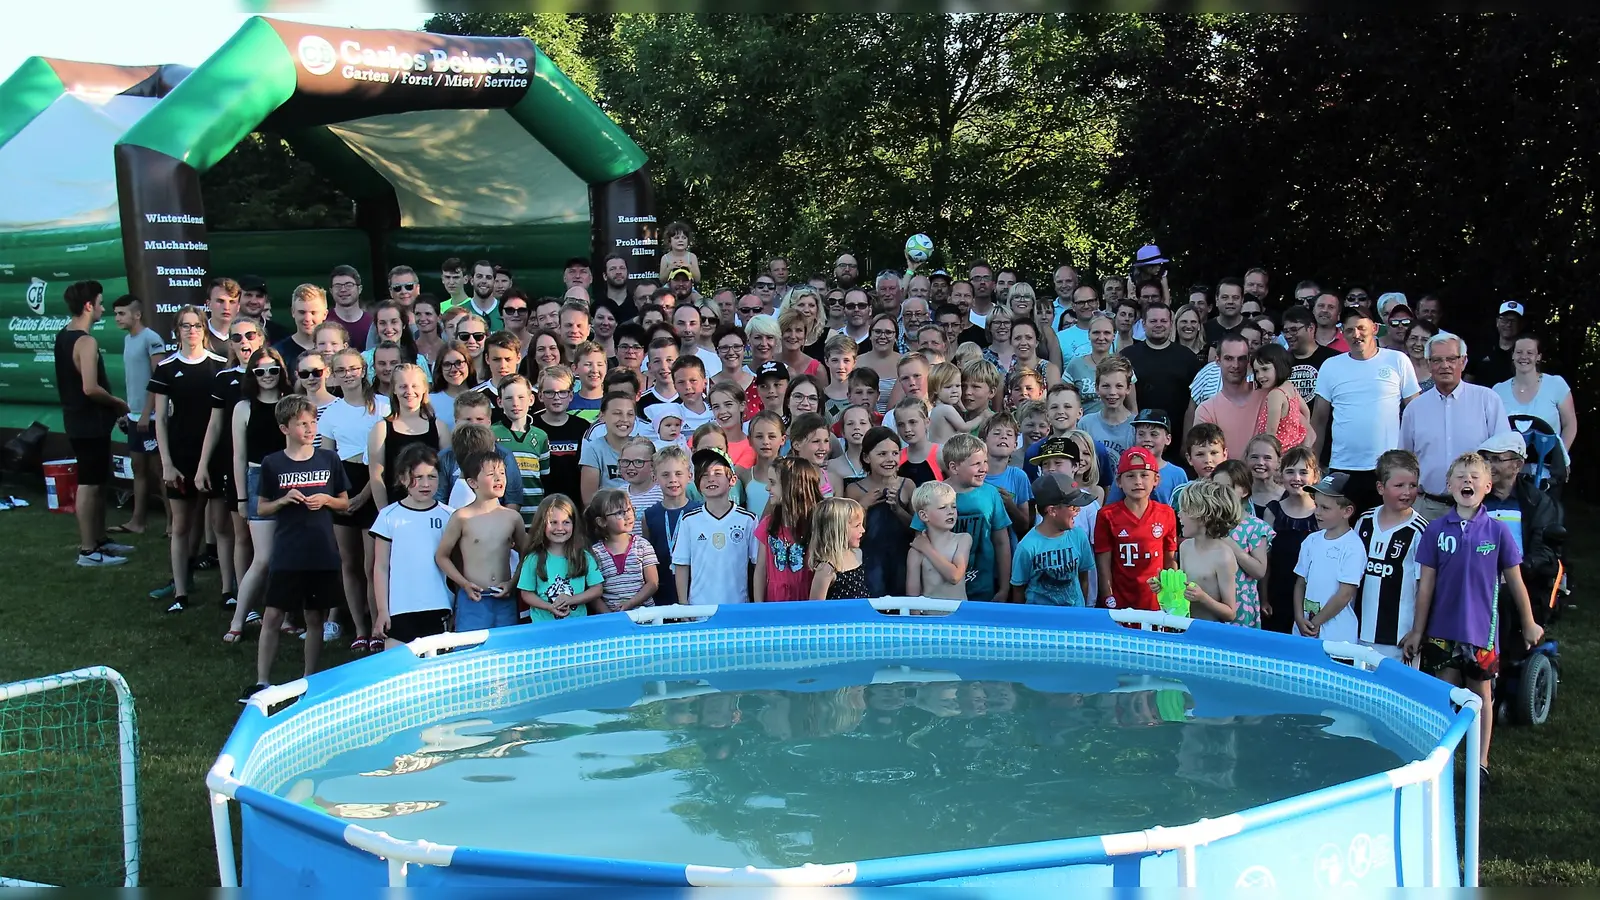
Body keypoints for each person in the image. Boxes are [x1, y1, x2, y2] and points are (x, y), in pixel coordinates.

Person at [1402, 452, 1544, 786]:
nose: (1468, 481)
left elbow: (1516, 582)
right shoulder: (1436, 530)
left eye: (1475, 477)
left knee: (1480, 697)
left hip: (1481, 631)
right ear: (1449, 486)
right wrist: (1417, 630)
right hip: (1441, 631)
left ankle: (1480, 761)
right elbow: (1426, 587)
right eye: (1461, 477)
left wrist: (1529, 622)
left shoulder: (1497, 532)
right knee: (1446, 697)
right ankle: (1443, 759)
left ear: (1488, 486)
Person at [245, 395, 350, 701]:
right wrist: (283, 500)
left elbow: (344, 502)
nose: (309, 428)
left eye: (313, 422)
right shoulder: (272, 463)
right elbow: (262, 508)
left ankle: (310, 680)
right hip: (288, 551)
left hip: (321, 551)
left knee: (315, 617)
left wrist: (327, 500)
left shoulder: (329, 460)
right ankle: (262, 681)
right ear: (284, 428)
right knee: (273, 614)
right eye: (302, 424)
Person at [150, 305, 229, 608]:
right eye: (186, 326)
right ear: (177, 330)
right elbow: (160, 420)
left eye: (197, 325)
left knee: (221, 526)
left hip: (216, 457)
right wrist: (167, 463)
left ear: (204, 329)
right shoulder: (167, 368)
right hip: (180, 457)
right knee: (181, 526)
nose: (192, 331)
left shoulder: (219, 366)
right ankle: (180, 590)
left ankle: (228, 591)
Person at [1311, 309, 1420, 513]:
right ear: (1342, 333)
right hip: (1343, 466)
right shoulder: (1331, 366)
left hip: (1388, 467)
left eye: (1361, 328)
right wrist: (1313, 463)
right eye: (1350, 330)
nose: (1356, 334)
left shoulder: (1398, 360)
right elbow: (1319, 419)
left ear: (1375, 329)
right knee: (1342, 529)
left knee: (1385, 526)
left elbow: (1416, 412)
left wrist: (1413, 461)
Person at [55, 281, 133, 566]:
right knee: (89, 483)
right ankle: (88, 550)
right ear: (89, 305)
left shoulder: (64, 335)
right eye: (100, 303)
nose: (103, 308)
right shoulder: (85, 341)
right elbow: (90, 387)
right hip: (87, 422)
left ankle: (100, 540)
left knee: (98, 482)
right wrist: (117, 402)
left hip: (83, 421)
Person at [1397, 330, 1510, 521]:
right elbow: (1405, 461)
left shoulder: (1487, 400)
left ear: (1463, 362)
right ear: (1428, 364)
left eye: (1451, 359)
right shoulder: (1414, 409)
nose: (1445, 366)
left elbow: (1503, 455)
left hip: (1478, 508)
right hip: (1428, 508)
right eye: (1437, 360)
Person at [222, 348, 288, 643]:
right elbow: (238, 456)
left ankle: (284, 617)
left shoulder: (290, 402)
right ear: (251, 374)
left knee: (287, 554)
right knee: (262, 557)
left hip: (291, 476)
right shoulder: (243, 407)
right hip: (256, 478)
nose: (267, 376)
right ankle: (238, 619)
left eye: (273, 370)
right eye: (260, 371)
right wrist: (240, 498)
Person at [370, 444, 454, 649]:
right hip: (400, 608)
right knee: (397, 671)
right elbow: (381, 567)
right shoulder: (389, 516)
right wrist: (382, 610)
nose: (425, 484)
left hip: (438, 605)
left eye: (431, 477)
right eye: (417, 477)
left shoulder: (449, 516)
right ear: (402, 478)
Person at [1351, 449, 1428, 665]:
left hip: (1398, 638)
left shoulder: (1420, 530)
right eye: (1399, 485)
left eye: (1412, 485)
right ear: (1380, 488)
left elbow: (1424, 586)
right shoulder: (1364, 521)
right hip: (1358, 630)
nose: (1407, 492)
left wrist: (1418, 631)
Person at [434, 451, 525, 629]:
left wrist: (513, 583)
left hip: (504, 598)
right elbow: (442, 556)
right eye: (491, 474)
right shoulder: (462, 517)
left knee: (506, 651)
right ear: (472, 482)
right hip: (473, 599)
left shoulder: (513, 518)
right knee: (470, 650)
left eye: (502, 473)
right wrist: (464, 584)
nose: (499, 478)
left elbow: (527, 553)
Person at [921, 435, 1011, 602]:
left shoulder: (990, 494)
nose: (984, 468)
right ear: (954, 467)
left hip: (983, 589)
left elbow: (1001, 542)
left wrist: (1004, 588)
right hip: (941, 592)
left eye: (985, 462)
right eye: (977, 464)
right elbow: (920, 542)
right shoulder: (932, 494)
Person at [668, 450, 758, 606]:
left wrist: (757, 603)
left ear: (732, 480)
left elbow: (758, 565)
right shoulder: (689, 520)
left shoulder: (748, 520)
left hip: (736, 607)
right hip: (699, 609)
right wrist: (683, 603)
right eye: (704, 475)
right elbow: (682, 564)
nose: (710, 479)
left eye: (717, 473)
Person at [1093, 447, 1177, 611]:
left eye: (1144, 475)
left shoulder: (1166, 513)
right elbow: (1103, 565)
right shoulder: (1106, 516)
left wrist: (1170, 596)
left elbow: (1170, 561)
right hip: (1121, 603)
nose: (1138, 481)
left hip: (1156, 604)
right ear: (1119, 482)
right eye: (1130, 476)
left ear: (1156, 479)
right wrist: (1108, 598)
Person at [111, 293, 166, 535]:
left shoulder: (151, 338)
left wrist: (146, 413)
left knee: (160, 470)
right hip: (135, 417)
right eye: (115, 314)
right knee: (138, 467)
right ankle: (138, 521)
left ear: (137, 314)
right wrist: (130, 413)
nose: (117, 318)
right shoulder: (127, 340)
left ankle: (173, 523)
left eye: (121, 313)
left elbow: (159, 378)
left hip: (152, 418)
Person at [1121, 304, 1201, 457]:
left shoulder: (1187, 358)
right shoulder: (1128, 356)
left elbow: (1195, 403)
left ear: (1171, 324)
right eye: (1153, 321)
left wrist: (1187, 440)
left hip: (1177, 439)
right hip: (1138, 436)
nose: (1159, 325)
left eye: (1163, 321)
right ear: (1143, 324)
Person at [1292, 472, 1363, 643]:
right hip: (1303, 630)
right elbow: (1300, 583)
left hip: (1337, 637)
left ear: (1347, 511)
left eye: (1325, 508)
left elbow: (1345, 594)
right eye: (1316, 505)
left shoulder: (1353, 546)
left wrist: (1316, 623)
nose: (1318, 512)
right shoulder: (1311, 541)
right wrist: (1299, 619)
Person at [1494, 333, 1576, 472]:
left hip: (1546, 469)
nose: (1524, 357)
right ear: (1512, 355)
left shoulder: (1556, 384)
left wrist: (1561, 457)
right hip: (1507, 471)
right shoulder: (1498, 390)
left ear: (1538, 357)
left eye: (1530, 352)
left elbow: (1570, 424)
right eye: (1519, 352)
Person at [1010, 473, 1095, 607]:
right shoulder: (1027, 547)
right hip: (1040, 622)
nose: (1078, 510)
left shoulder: (1079, 536)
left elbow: (1084, 578)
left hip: (1073, 617)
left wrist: (1081, 613)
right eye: (1073, 506)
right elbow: (1018, 590)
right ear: (1052, 511)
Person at [515, 494, 602, 623]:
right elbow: (526, 593)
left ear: (574, 524)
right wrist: (549, 607)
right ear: (542, 524)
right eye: (553, 522)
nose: (560, 528)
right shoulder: (533, 558)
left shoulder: (584, 556)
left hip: (577, 625)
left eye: (566, 522)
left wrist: (571, 600)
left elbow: (597, 589)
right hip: (542, 627)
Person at [1262, 446, 1320, 634]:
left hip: (1310, 595)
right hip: (1277, 593)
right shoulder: (1272, 511)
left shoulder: (1321, 514)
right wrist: (1263, 597)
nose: (1296, 478)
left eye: (1303, 472)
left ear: (1315, 476)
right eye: (1290, 472)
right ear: (1281, 475)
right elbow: (1265, 561)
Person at [1166, 480, 1240, 622]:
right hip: (1185, 628)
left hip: (1211, 634)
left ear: (1204, 517)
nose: (1179, 514)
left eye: (1185, 510)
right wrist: (1165, 589)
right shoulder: (1185, 547)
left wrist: (1203, 598)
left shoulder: (1223, 557)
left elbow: (1230, 613)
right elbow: (1183, 594)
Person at [1210, 460, 1271, 627]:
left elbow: (1259, 571)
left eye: (1228, 488)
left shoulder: (1255, 527)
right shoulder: (1206, 523)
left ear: (1244, 490)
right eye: (1216, 487)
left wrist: (1230, 543)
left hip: (1241, 606)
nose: (1221, 493)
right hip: (1209, 602)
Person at [754, 457, 824, 602]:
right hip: (774, 602)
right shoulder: (768, 523)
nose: (767, 487)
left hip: (807, 601)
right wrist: (759, 607)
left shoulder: (818, 524)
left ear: (792, 486)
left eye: (772, 483)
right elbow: (760, 569)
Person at [1193, 335, 1266, 460]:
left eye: (1241, 359)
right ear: (1217, 360)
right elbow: (1203, 458)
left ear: (1249, 361)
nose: (1235, 365)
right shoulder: (1206, 410)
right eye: (1229, 359)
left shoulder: (1268, 396)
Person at [486, 374, 547, 525]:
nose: (515, 403)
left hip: (535, 515)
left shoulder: (541, 436)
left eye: (521, 397)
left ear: (531, 399)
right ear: (499, 402)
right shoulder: (491, 433)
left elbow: (546, 478)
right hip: (502, 514)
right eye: (509, 398)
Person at [906, 480, 970, 601]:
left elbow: (954, 576)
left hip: (958, 616)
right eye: (942, 507)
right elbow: (912, 598)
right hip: (930, 617)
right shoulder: (915, 552)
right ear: (924, 515)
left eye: (953, 506)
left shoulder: (963, 539)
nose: (951, 511)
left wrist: (927, 549)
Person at [1107, 410, 1188, 506]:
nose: (1147, 439)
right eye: (1141, 434)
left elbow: (1184, 509)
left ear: (1168, 439)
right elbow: (1111, 507)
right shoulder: (1126, 470)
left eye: (1154, 434)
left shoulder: (1177, 474)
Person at [534, 366, 588, 504]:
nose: (556, 398)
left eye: (562, 392)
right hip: (540, 502)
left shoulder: (583, 427)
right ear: (540, 395)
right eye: (550, 392)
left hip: (575, 501)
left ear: (571, 395)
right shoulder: (531, 426)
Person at [1251, 343, 1311, 451]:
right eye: (1256, 371)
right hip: (1292, 452)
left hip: (1278, 454)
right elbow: (1306, 412)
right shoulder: (1289, 387)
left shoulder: (1275, 394)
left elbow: (1270, 434)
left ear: (1279, 366)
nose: (1260, 376)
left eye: (1265, 369)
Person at [579, 391, 638, 501]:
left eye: (630, 414)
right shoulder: (593, 450)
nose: (625, 419)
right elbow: (589, 501)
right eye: (617, 413)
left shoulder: (644, 447)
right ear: (602, 416)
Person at [808, 498, 869, 600]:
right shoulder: (826, 568)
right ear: (839, 530)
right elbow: (816, 609)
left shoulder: (858, 554)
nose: (862, 530)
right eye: (857, 525)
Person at [1467, 300, 1523, 387]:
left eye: (1513, 321)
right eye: (1504, 319)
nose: (1508, 324)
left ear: (1521, 324)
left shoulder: (1525, 354)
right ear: (1497, 322)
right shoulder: (1481, 349)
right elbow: (1467, 382)